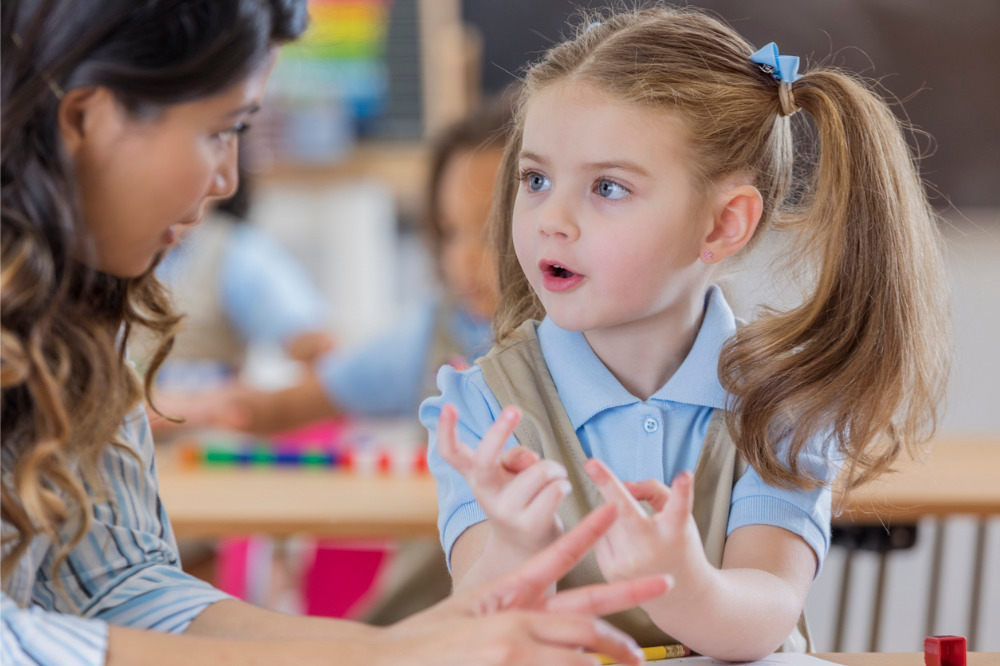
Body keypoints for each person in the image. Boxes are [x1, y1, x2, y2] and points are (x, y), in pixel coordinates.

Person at [0, 2, 673, 664]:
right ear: (84, 117)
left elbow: (122, 586)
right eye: (219, 130)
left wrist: (408, 646)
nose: (227, 179)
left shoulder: (80, 315)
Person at [421, 5, 951, 661]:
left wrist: (686, 584)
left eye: (608, 187)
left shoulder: (779, 403)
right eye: (536, 179)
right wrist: (514, 546)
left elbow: (766, 608)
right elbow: (479, 632)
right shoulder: (480, 409)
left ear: (723, 225)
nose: (550, 219)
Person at [199, 98, 511, 435]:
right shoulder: (431, 335)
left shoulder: (567, 340)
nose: (462, 259)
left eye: (488, 234)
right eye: (449, 232)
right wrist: (188, 408)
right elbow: (287, 405)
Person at [136, 155, 335, 438]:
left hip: (201, 454)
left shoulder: (239, 255)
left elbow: (326, 357)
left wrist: (207, 407)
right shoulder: (101, 251)